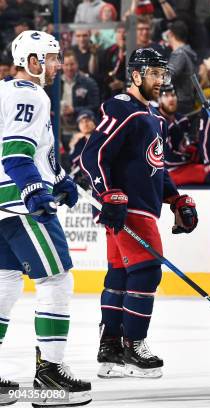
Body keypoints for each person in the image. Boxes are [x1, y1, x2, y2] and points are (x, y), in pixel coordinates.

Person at [80, 48, 198, 379]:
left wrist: (176, 199)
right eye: (155, 74)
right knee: (146, 273)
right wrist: (107, 192)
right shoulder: (122, 107)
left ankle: (111, 348)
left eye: (164, 75)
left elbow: (155, 167)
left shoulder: (153, 117)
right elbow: (93, 155)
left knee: (120, 276)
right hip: (127, 208)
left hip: (137, 207)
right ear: (135, 75)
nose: (161, 81)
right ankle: (134, 345)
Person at [0, 30, 90, 406]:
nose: (57, 65)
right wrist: (35, 190)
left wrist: (60, 180)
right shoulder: (28, 94)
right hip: (21, 206)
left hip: (2, 207)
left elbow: (37, 153)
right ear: (33, 62)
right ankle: (48, 375)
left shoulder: (5, 91)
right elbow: (17, 154)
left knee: (4, 286)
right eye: (52, 58)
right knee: (56, 279)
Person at [158, 83, 206, 186]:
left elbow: (188, 143)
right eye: (166, 96)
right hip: (167, 172)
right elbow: (167, 160)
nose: (171, 99)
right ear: (159, 100)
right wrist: (189, 157)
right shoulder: (158, 123)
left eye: (173, 95)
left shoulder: (182, 119)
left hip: (183, 166)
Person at [166, 20, 198, 115]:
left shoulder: (179, 54)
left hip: (179, 103)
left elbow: (167, 77)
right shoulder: (189, 53)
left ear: (171, 34)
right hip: (188, 101)